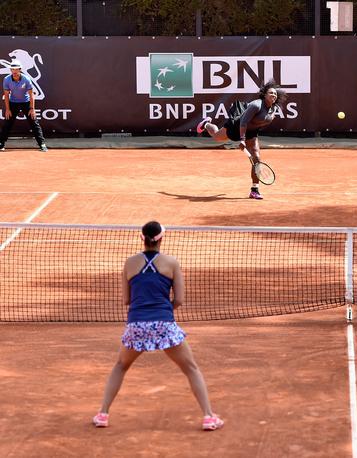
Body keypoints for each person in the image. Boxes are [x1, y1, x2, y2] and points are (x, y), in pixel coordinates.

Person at [93, 221, 224, 431]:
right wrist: (163, 311)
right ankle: (209, 417)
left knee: (120, 366)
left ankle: (103, 414)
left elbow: (126, 300)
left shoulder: (129, 263)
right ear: (161, 239)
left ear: (142, 238)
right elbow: (179, 299)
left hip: (136, 324)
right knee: (191, 368)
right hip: (164, 324)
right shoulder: (171, 263)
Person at [196, 80, 287, 199]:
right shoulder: (256, 105)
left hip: (252, 132)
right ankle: (207, 124)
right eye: (271, 93)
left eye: (275, 94)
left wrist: (250, 136)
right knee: (218, 137)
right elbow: (243, 122)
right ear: (264, 94)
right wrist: (242, 140)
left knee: (257, 159)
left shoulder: (273, 109)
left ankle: (254, 190)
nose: (273, 95)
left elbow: (261, 122)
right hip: (237, 126)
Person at [0, 60, 47, 152]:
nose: (14, 71)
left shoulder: (26, 79)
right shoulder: (7, 79)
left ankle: (42, 144)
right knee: (7, 123)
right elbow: (6, 95)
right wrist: (8, 109)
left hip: (26, 102)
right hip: (13, 102)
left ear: (20, 70)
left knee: (34, 122)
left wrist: (32, 109)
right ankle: (1, 143)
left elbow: (31, 95)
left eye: (16, 69)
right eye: (12, 69)